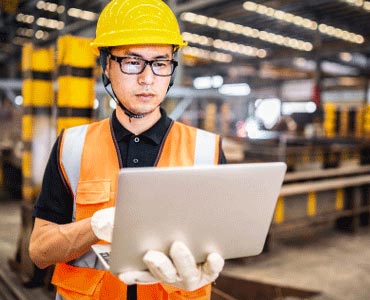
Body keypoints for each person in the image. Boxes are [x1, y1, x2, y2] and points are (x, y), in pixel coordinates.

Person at [28, 0, 226, 299]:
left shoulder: (206, 151)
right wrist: (93, 227)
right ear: (107, 65)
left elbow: (224, 244)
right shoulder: (72, 147)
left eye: (160, 63)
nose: (147, 79)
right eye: (132, 62)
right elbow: (40, 252)